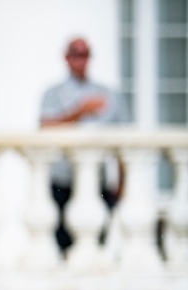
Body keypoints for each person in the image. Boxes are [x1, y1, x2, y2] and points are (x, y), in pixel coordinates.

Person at [40, 36, 129, 254]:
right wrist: (80, 111)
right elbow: (45, 127)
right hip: (62, 179)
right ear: (66, 57)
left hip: (98, 179)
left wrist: (122, 181)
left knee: (96, 240)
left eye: (84, 54)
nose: (80, 59)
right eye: (75, 54)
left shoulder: (109, 95)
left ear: (90, 58)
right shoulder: (52, 94)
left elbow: (124, 140)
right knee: (62, 243)